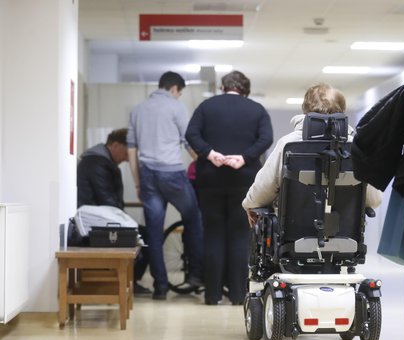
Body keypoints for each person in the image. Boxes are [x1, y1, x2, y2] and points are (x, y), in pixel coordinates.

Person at [185, 71, 273, 306]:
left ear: (223, 87)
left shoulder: (206, 106)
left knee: (212, 235)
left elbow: (191, 134)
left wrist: (210, 154)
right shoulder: (257, 110)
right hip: (243, 180)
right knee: (240, 235)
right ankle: (237, 295)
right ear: (245, 89)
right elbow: (266, 139)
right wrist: (244, 158)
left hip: (210, 179)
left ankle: (212, 295)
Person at [242, 83, 382, 223]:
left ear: (305, 110)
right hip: (345, 234)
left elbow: (262, 190)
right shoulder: (356, 147)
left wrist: (250, 205)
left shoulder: (288, 144)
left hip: (293, 233)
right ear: (343, 111)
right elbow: (374, 200)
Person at [127, 71, 204, 301]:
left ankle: (160, 286)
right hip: (172, 174)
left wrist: (138, 183)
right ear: (174, 89)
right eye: (179, 93)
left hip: (148, 175)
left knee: (153, 232)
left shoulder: (138, 109)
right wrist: (201, 163)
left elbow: (132, 150)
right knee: (193, 218)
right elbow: (189, 141)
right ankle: (196, 275)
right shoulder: (176, 107)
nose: (179, 97)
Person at [76, 128, 152, 294]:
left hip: (98, 220)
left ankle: (130, 280)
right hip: (97, 224)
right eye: (126, 153)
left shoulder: (98, 161)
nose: (127, 159)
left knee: (144, 234)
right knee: (147, 235)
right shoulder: (98, 163)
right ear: (115, 145)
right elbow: (107, 201)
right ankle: (130, 281)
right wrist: (124, 222)